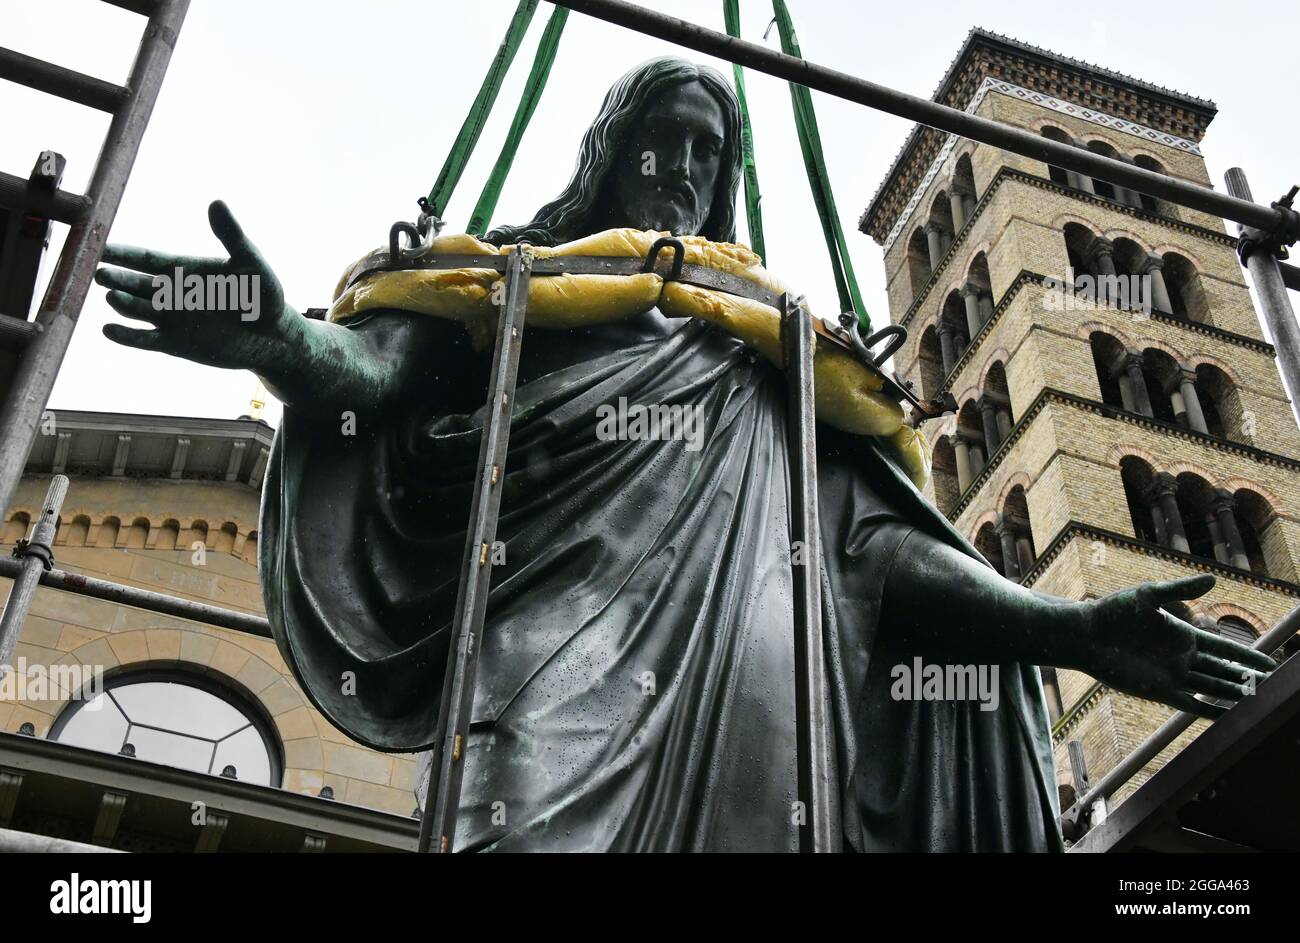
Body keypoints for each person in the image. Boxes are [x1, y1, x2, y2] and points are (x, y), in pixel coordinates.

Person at [95, 57, 1271, 852]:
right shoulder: (509, 284)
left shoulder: (773, 349)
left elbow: (871, 548)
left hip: (770, 703)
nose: (683, 168)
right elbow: (371, 378)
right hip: (550, 666)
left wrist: (1062, 628)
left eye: (708, 149)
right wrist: (283, 342)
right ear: (607, 152)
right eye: (659, 139)